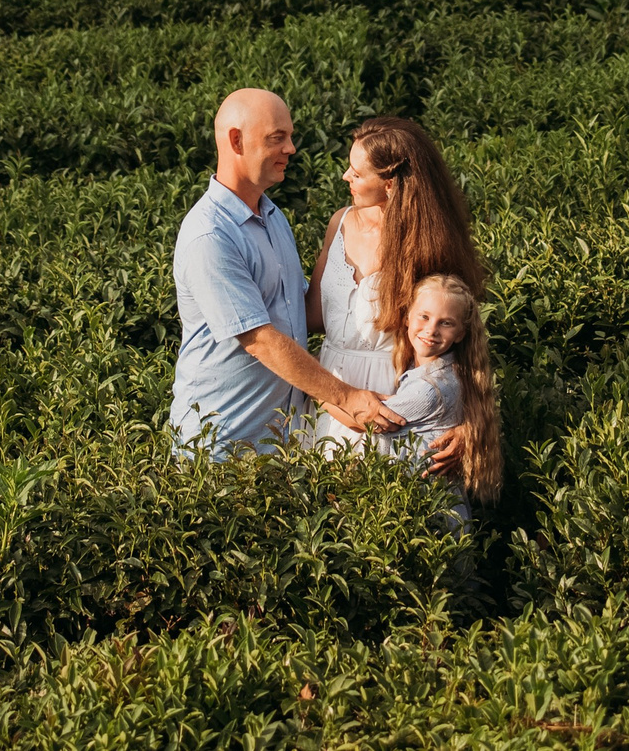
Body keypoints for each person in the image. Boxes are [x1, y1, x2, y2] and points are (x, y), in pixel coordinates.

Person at [170, 88, 404, 457]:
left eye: (290, 136)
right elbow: (260, 338)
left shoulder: (272, 217)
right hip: (223, 442)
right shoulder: (210, 234)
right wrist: (347, 397)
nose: (291, 148)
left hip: (284, 437)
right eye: (277, 138)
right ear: (237, 141)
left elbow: (304, 310)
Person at [308, 115, 487, 483]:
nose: (345, 177)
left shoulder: (429, 245)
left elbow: (459, 337)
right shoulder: (339, 223)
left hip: (393, 394)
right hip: (327, 382)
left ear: (389, 184)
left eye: (357, 174)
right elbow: (312, 314)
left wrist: (470, 424)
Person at [378, 273, 504, 526]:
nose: (431, 330)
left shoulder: (428, 387)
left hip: (426, 517)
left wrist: (321, 394)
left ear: (460, 334)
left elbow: (371, 419)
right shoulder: (451, 370)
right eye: (424, 317)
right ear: (407, 317)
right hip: (442, 509)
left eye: (446, 323)